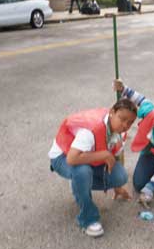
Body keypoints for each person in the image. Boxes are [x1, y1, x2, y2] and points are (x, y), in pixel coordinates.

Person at [48, 98, 137, 237]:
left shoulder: (121, 132)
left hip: (87, 156)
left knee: (121, 176)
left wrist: (118, 187)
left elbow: (117, 157)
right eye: (122, 119)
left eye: (130, 122)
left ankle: (78, 184)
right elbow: (72, 159)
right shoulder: (92, 129)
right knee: (82, 171)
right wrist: (104, 154)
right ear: (112, 112)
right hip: (63, 156)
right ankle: (88, 218)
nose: (125, 125)